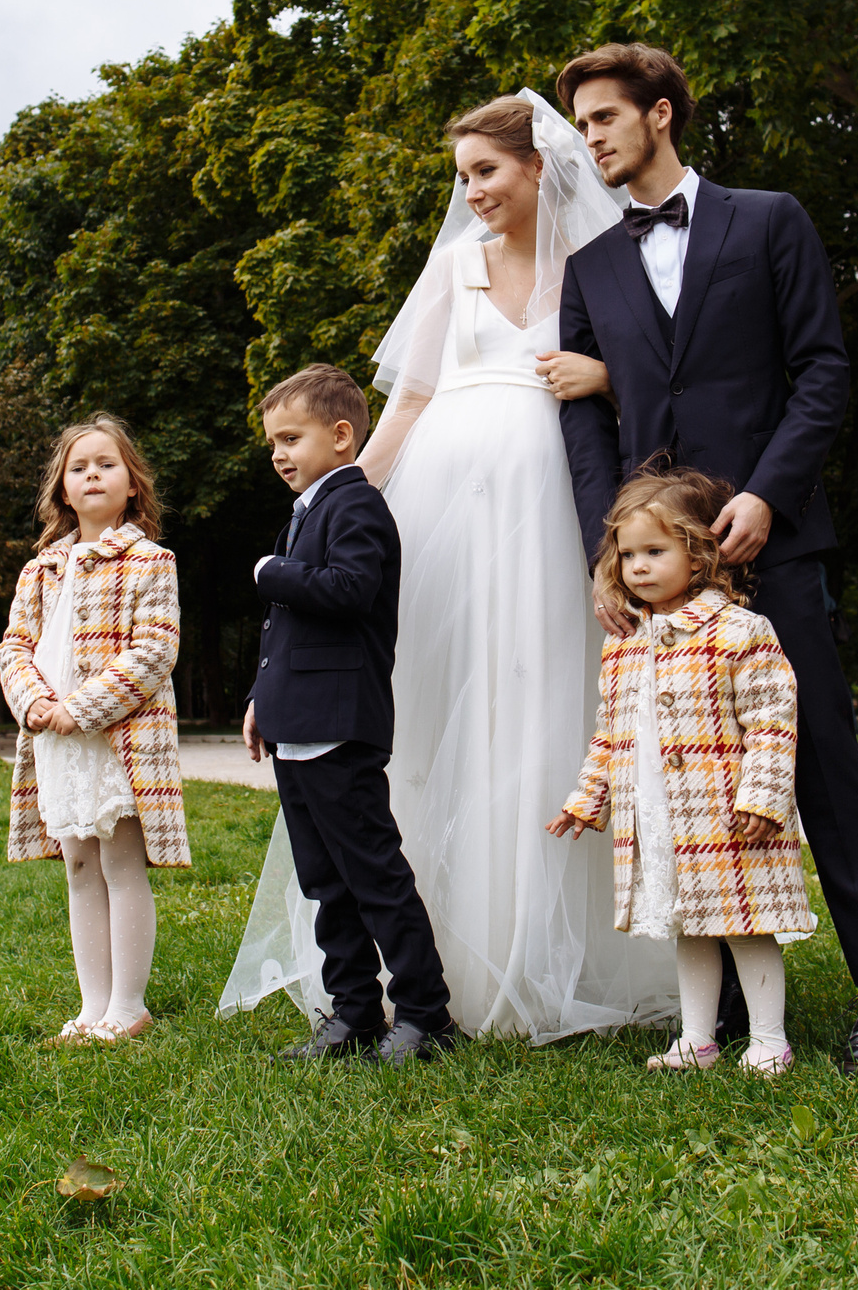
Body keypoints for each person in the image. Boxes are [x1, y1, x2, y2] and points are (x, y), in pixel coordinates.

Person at [219, 95, 676, 1042]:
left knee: (540, 702)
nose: (472, 193)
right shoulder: (453, 268)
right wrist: (334, 506)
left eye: (487, 171)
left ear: (538, 166)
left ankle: (547, 947)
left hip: (547, 510)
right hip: (441, 516)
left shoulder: (594, 268)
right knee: (436, 702)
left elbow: (654, 384)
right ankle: (417, 967)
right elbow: (407, 406)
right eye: (462, 177)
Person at [548, 41, 858, 1071]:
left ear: (660, 114)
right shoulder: (590, 270)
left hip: (772, 540)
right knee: (685, 783)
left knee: (822, 768)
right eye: (581, 125)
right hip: (659, 578)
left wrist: (764, 492)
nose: (590, 140)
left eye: (603, 120)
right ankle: (730, 1018)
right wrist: (605, 558)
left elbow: (821, 371)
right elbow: (583, 432)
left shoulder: (769, 220)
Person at [549, 470, 814, 1077]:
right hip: (660, 814)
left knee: (747, 926)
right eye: (628, 554)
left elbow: (773, 718)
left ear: (698, 555)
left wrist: (764, 796)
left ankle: (769, 1038)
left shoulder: (739, 631)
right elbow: (612, 732)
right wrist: (588, 798)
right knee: (688, 925)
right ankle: (698, 1039)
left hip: (727, 812)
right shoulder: (625, 643)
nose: (637, 567)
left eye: (655, 551)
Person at [241, 364, 458, 1065]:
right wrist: (259, 701)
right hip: (296, 721)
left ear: (341, 436)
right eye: (272, 440)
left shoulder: (357, 506)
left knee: (373, 874)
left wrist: (271, 572)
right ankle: (355, 1013)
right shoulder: (304, 511)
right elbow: (288, 634)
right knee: (325, 882)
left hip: (340, 722)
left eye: (291, 437)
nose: (278, 452)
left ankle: (425, 1015)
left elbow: (351, 589)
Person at [0, 414, 188, 1046]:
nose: (92, 474)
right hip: (53, 740)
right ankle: (92, 1006)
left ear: (132, 483)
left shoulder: (149, 561)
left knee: (120, 862)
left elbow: (154, 651)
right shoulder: (40, 571)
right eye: (78, 468)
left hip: (115, 739)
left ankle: (129, 1005)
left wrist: (80, 708)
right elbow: (13, 647)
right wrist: (35, 704)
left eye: (106, 464)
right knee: (78, 864)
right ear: (63, 491)